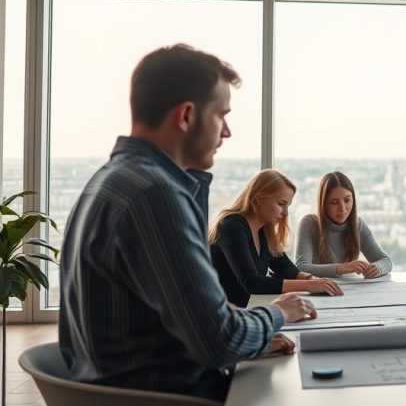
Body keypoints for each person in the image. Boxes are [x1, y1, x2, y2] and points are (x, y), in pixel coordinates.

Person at [59, 44, 316, 402]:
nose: (226, 132)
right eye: (221, 116)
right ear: (186, 116)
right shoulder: (156, 195)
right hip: (167, 395)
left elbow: (186, 317)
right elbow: (219, 342)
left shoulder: (108, 182)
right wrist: (276, 314)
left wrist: (248, 334)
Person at [209, 169, 343, 307]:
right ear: (259, 199)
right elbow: (252, 283)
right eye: (281, 204)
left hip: (245, 309)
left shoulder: (264, 230)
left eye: (288, 205)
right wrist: (309, 285)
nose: (285, 213)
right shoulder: (231, 226)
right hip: (219, 316)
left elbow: (284, 268)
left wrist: (312, 279)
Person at [295, 171, 393, 278]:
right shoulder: (309, 224)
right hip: (318, 291)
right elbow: (301, 267)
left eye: (347, 200)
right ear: (323, 204)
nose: (342, 208)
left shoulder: (358, 224)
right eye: (334, 202)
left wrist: (377, 268)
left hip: (348, 289)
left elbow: (385, 260)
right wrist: (342, 268)